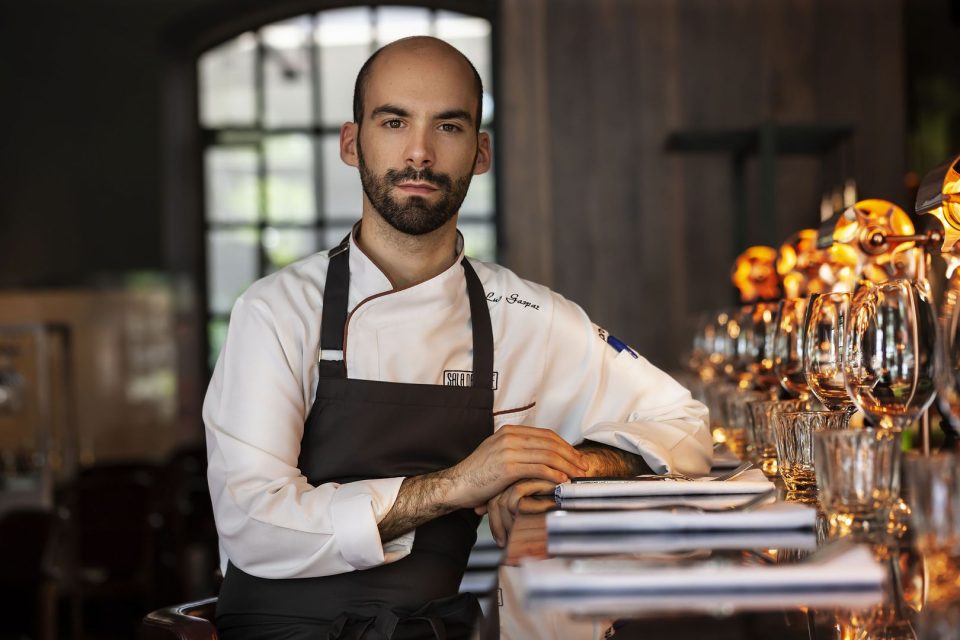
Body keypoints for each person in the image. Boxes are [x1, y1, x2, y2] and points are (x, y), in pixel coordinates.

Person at [203, 35, 711, 639]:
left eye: (448, 126)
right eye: (394, 121)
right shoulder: (275, 310)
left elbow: (682, 423)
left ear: (480, 152)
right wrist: (457, 485)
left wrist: (563, 472)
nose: (419, 153)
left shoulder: (527, 316)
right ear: (351, 141)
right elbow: (254, 526)